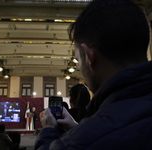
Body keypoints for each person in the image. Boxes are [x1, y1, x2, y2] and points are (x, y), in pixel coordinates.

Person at [35, 0, 152, 149]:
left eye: (78, 60)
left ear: (89, 56)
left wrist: (48, 132)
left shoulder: (76, 143)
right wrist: (77, 128)